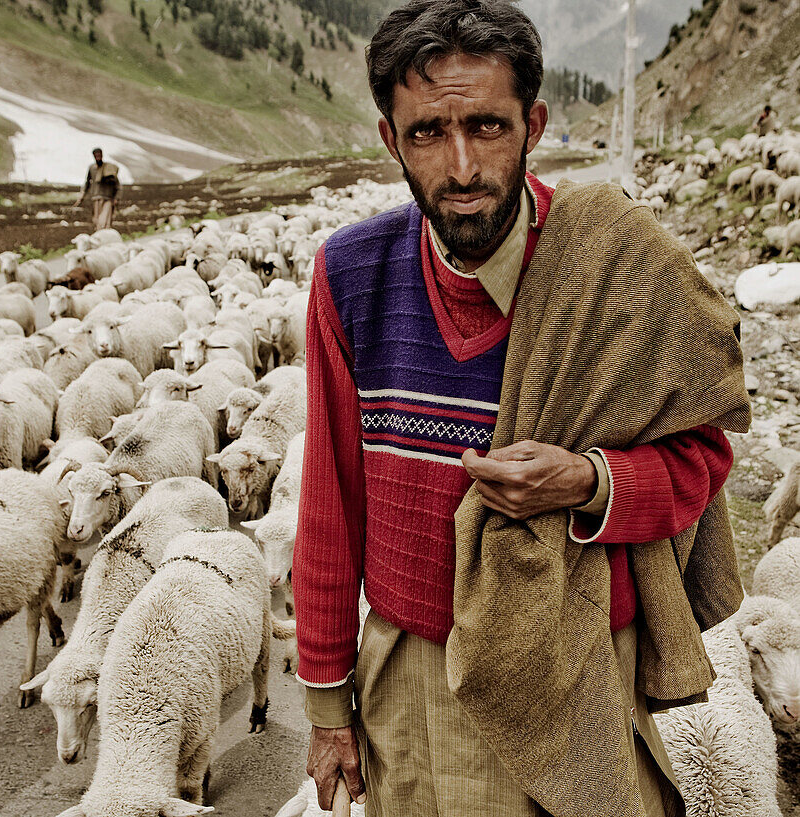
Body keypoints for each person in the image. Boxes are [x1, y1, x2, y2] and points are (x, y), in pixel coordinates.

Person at [292, 2, 751, 816]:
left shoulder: (616, 267)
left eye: (488, 126)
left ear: (532, 122)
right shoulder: (350, 278)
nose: (463, 167)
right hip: (409, 679)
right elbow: (330, 505)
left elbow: (703, 459)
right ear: (390, 139)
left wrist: (587, 481)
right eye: (429, 133)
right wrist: (330, 707)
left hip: (572, 666)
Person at [80, 147, 120, 231]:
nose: (98, 157)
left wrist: (116, 197)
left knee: (106, 220)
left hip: (108, 198)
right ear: (94, 156)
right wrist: (83, 195)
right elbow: (87, 182)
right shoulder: (92, 168)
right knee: (97, 219)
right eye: (96, 155)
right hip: (96, 197)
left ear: (102, 155)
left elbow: (117, 185)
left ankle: (105, 235)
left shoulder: (109, 168)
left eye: (99, 155)